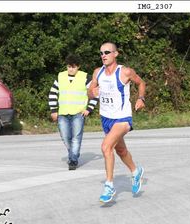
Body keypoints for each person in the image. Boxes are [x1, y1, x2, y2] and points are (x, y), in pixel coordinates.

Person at [88, 42, 146, 203]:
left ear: (116, 54)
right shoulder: (97, 73)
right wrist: (92, 93)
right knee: (120, 151)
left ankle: (109, 186)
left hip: (122, 118)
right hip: (106, 118)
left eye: (107, 52)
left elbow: (141, 83)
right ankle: (136, 172)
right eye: (101, 53)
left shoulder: (125, 72)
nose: (103, 55)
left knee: (106, 147)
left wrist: (141, 98)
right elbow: (89, 93)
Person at [48, 54, 98, 170]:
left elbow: (94, 94)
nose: (71, 69)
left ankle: (73, 160)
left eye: (73, 67)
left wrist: (89, 109)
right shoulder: (60, 76)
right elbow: (52, 93)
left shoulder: (85, 77)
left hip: (78, 114)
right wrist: (54, 110)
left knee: (76, 137)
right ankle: (74, 153)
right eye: (69, 66)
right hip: (62, 114)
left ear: (78, 67)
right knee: (66, 138)